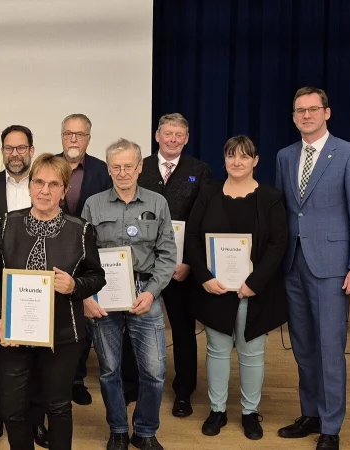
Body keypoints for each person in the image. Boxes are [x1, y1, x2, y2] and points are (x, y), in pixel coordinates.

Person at [275, 87, 350, 450]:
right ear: (294, 116)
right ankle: (311, 413)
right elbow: (288, 210)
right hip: (294, 265)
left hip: (333, 267)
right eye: (299, 110)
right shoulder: (285, 156)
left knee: (330, 348)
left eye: (313, 109)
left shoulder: (349, 154)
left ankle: (331, 427)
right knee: (302, 347)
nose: (306, 115)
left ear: (326, 113)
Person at [0, 153, 106, 450]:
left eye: (54, 184)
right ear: (30, 186)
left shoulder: (80, 229)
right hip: (14, 335)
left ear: (64, 191)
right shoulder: (8, 224)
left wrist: (75, 285)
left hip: (63, 336)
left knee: (58, 408)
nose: (44, 190)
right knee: (13, 409)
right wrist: (0, 317)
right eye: (38, 182)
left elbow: (97, 276)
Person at [185, 136, 289, 441]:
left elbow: (277, 243)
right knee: (216, 350)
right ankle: (217, 410)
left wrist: (254, 284)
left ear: (255, 160)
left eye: (245, 157)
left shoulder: (269, 197)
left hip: (254, 289)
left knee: (252, 351)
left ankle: (249, 413)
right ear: (224, 160)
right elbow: (191, 238)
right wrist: (204, 276)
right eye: (231, 156)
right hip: (215, 287)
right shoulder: (208, 193)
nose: (237, 162)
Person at [83, 139, 176, 450]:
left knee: (154, 370)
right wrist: (88, 296)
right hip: (104, 295)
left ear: (140, 168)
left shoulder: (157, 203)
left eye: (129, 166)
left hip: (144, 293)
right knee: (110, 369)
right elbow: (82, 256)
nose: (123, 172)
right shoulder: (93, 205)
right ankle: (119, 429)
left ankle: (146, 431)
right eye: (116, 167)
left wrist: (151, 293)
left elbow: (167, 255)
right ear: (109, 170)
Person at [0, 125, 48, 449]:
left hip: (36, 289)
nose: (15, 154)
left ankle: (36, 423)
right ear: (1, 150)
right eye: (9, 148)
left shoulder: (43, 186)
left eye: (21, 148)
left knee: (37, 359)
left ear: (31, 150)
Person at [137, 113, 212, 417]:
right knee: (139, 327)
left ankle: (184, 391)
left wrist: (190, 264)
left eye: (179, 134)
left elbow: (202, 220)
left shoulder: (200, 170)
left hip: (181, 269)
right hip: (143, 267)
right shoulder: (139, 167)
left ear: (186, 138)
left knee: (182, 331)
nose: (172, 139)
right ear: (157, 136)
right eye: (167, 133)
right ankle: (137, 384)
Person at [56, 113, 112, 406]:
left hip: (90, 253)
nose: (73, 139)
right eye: (68, 134)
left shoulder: (103, 171)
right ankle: (59, 379)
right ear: (62, 136)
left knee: (85, 320)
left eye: (79, 134)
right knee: (58, 318)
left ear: (89, 139)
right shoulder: (49, 166)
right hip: (55, 253)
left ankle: (77, 380)